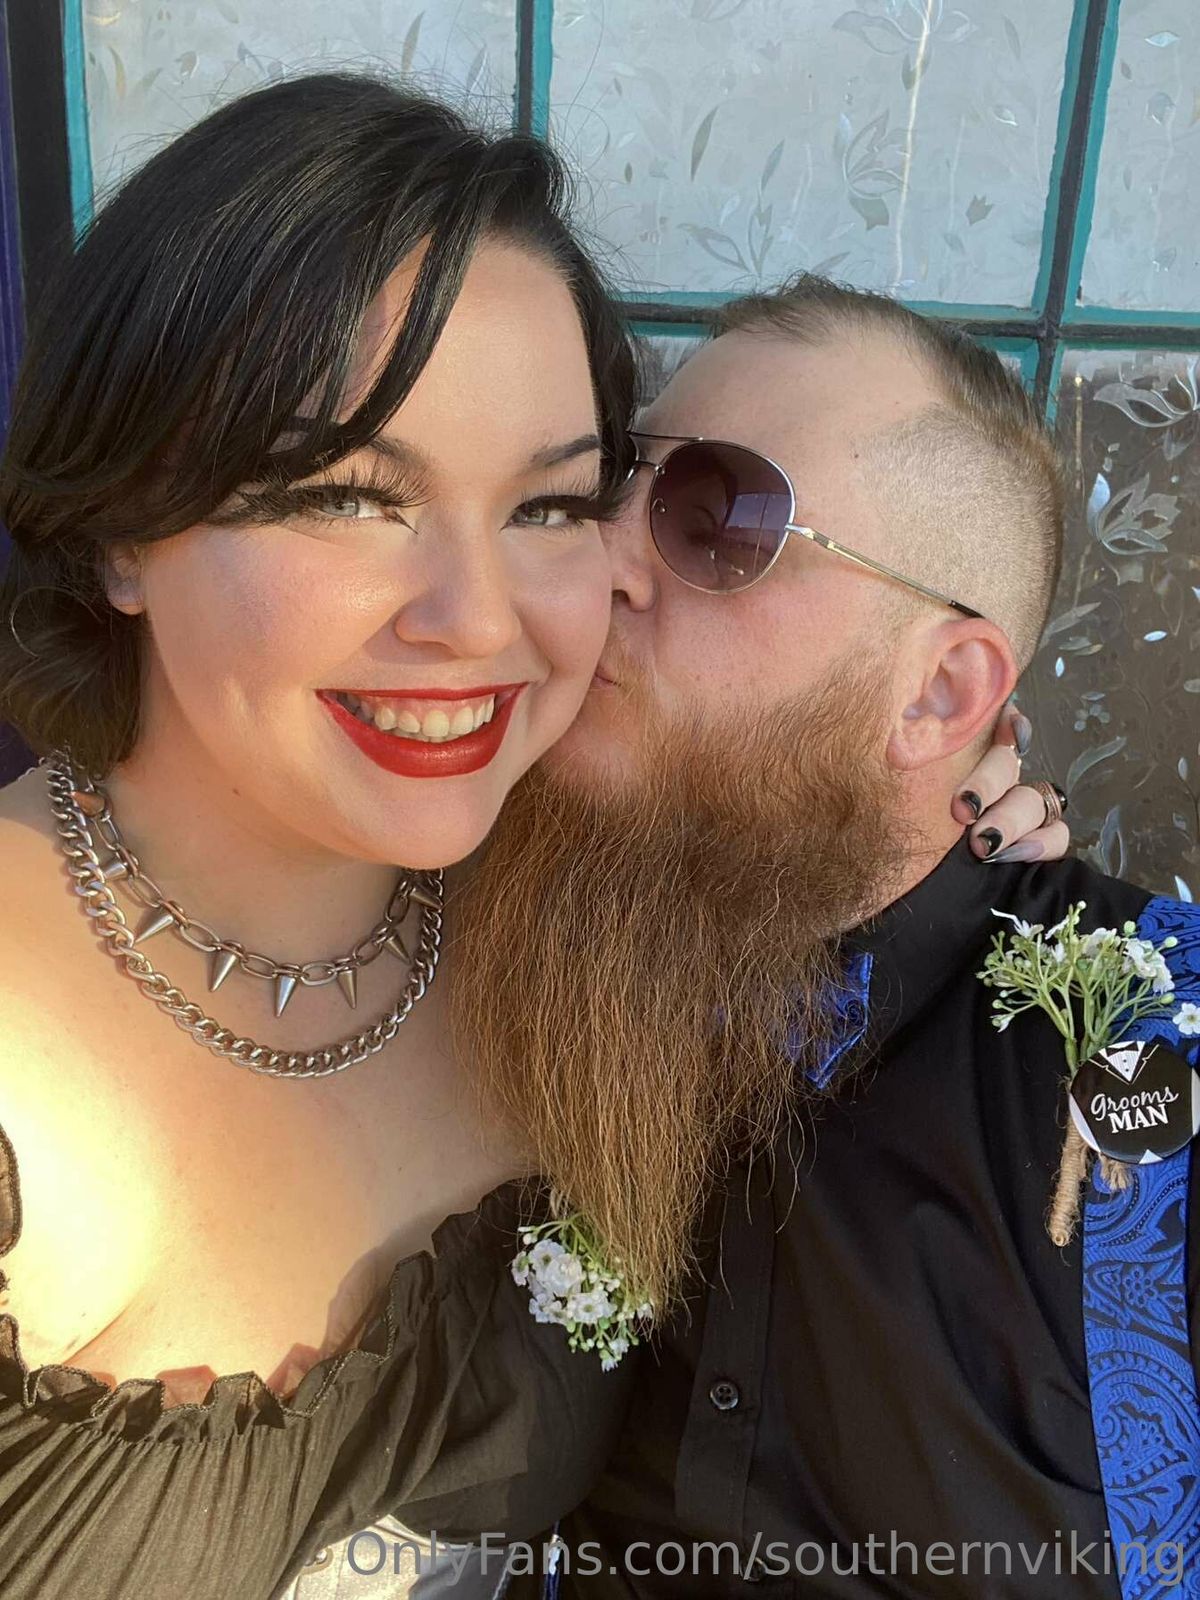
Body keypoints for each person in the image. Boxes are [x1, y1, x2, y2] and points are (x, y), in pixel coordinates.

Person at [0, 76, 1058, 1600]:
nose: (475, 619)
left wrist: (946, 787)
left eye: (553, 506)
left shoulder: (574, 925)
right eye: (346, 493)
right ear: (120, 529)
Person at [455, 277, 1200, 1598]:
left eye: (718, 518)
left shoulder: (1148, 1054)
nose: (607, 558)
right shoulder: (481, 904)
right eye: (614, 484)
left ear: (942, 693)